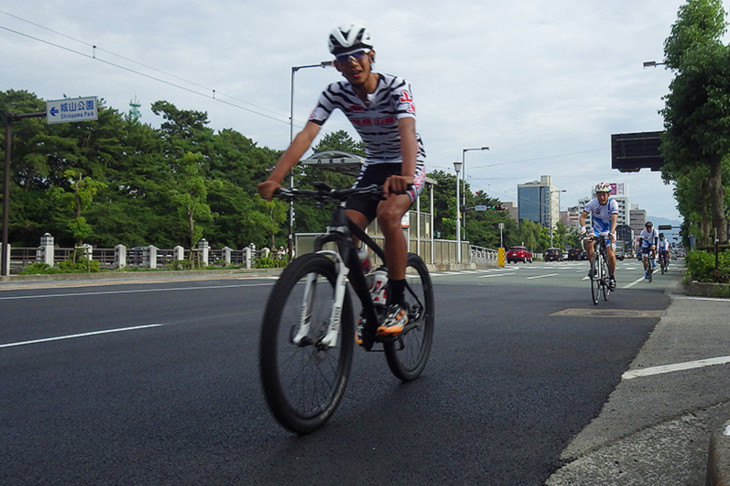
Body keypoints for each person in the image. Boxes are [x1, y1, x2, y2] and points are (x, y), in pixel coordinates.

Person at [257, 24, 426, 343]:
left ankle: (398, 303)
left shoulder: (395, 86)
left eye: (358, 55)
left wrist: (405, 175)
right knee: (344, 229)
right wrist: (275, 178)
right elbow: (307, 134)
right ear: (335, 64)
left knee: (390, 215)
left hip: (407, 161)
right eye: (343, 58)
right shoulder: (335, 93)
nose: (352, 63)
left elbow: (407, 130)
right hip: (375, 164)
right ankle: (372, 284)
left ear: (371, 56)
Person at [578, 182, 619, 289]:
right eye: (599, 194)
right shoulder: (592, 203)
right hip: (596, 230)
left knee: (611, 255)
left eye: (604, 194)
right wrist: (583, 228)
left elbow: (614, 219)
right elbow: (582, 217)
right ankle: (593, 268)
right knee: (589, 242)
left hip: (609, 230)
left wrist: (611, 232)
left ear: (609, 194)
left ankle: (612, 277)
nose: (601, 197)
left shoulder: (613, 203)